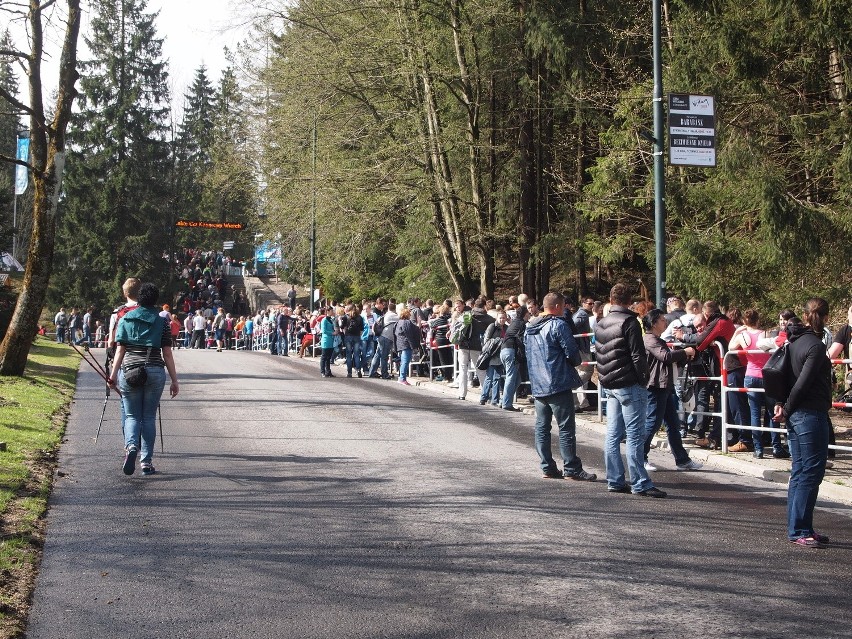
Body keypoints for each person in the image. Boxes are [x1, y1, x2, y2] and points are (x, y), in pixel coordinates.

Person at [773, 300, 833, 548]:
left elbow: (783, 377)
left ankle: (801, 527)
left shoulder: (794, 341)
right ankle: (799, 529)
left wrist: (782, 405)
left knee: (800, 471)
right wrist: (786, 408)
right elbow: (803, 382)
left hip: (797, 413)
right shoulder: (815, 346)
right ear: (825, 317)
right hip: (809, 413)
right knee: (810, 472)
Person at [595, 284, 664, 497]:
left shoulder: (601, 322)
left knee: (613, 434)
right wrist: (643, 379)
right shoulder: (630, 322)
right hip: (629, 382)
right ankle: (640, 482)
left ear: (611, 299)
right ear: (628, 300)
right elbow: (637, 355)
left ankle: (615, 479)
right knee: (634, 435)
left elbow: (600, 352)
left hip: (610, 382)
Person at [524, 292, 596, 482]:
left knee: (542, 427)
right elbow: (573, 356)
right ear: (556, 307)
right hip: (558, 382)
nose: (565, 309)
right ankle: (571, 467)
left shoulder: (529, 328)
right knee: (565, 428)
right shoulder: (558, 324)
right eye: (563, 306)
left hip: (538, 384)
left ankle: (547, 466)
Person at [108, 283, 179, 476]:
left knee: (132, 416)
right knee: (148, 417)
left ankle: (131, 447)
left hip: (130, 369)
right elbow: (167, 353)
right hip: (155, 371)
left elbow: (120, 350)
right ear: (155, 300)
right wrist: (174, 380)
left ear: (139, 298)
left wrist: (113, 376)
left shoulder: (126, 318)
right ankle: (146, 462)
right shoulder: (161, 322)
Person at [642, 308, 702, 471]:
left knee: (673, 424)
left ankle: (682, 460)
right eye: (662, 320)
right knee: (653, 423)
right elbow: (665, 357)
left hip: (664, 385)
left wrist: (683, 356)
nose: (665, 322)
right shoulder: (650, 339)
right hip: (655, 386)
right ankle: (640, 456)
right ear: (653, 323)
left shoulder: (657, 339)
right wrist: (685, 351)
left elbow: (666, 360)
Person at [500, 305, 529, 411]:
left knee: (517, 379)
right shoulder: (521, 324)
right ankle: (506, 403)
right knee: (511, 377)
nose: (529, 315)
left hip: (505, 350)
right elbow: (521, 340)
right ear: (525, 314)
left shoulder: (514, 322)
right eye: (528, 314)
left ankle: (505, 400)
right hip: (511, 351)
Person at [394, 308, 421, 386]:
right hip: (406, 344)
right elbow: (410, 333)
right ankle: (402, 378)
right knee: (405, 361)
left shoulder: (398, 322)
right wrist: (419, 323)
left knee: (403, 361)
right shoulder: (406, 322)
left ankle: (401, 377)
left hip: (400, 344)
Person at [319, 307, 336, 377]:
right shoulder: (324, 320)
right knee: (324, 357)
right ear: (328, 311)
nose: (333, 312)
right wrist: (332, 333)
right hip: (326, 340)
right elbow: (323, 330)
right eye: (332, 311)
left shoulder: (331, 320)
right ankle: (322, 371)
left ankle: (328, 371)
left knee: (328, 357)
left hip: (331, 340)